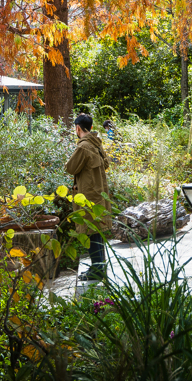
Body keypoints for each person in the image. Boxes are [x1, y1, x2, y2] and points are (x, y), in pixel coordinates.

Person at [65, 112, 111, 280]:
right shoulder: (96, 143)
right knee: (96, 231)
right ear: (90, 127)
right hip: (98, 193)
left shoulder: (83, 146)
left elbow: (70, 168)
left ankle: (98, 270)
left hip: (89, 195)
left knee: (92, 232)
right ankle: (98, 268)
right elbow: (106, 164)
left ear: (78, 128)